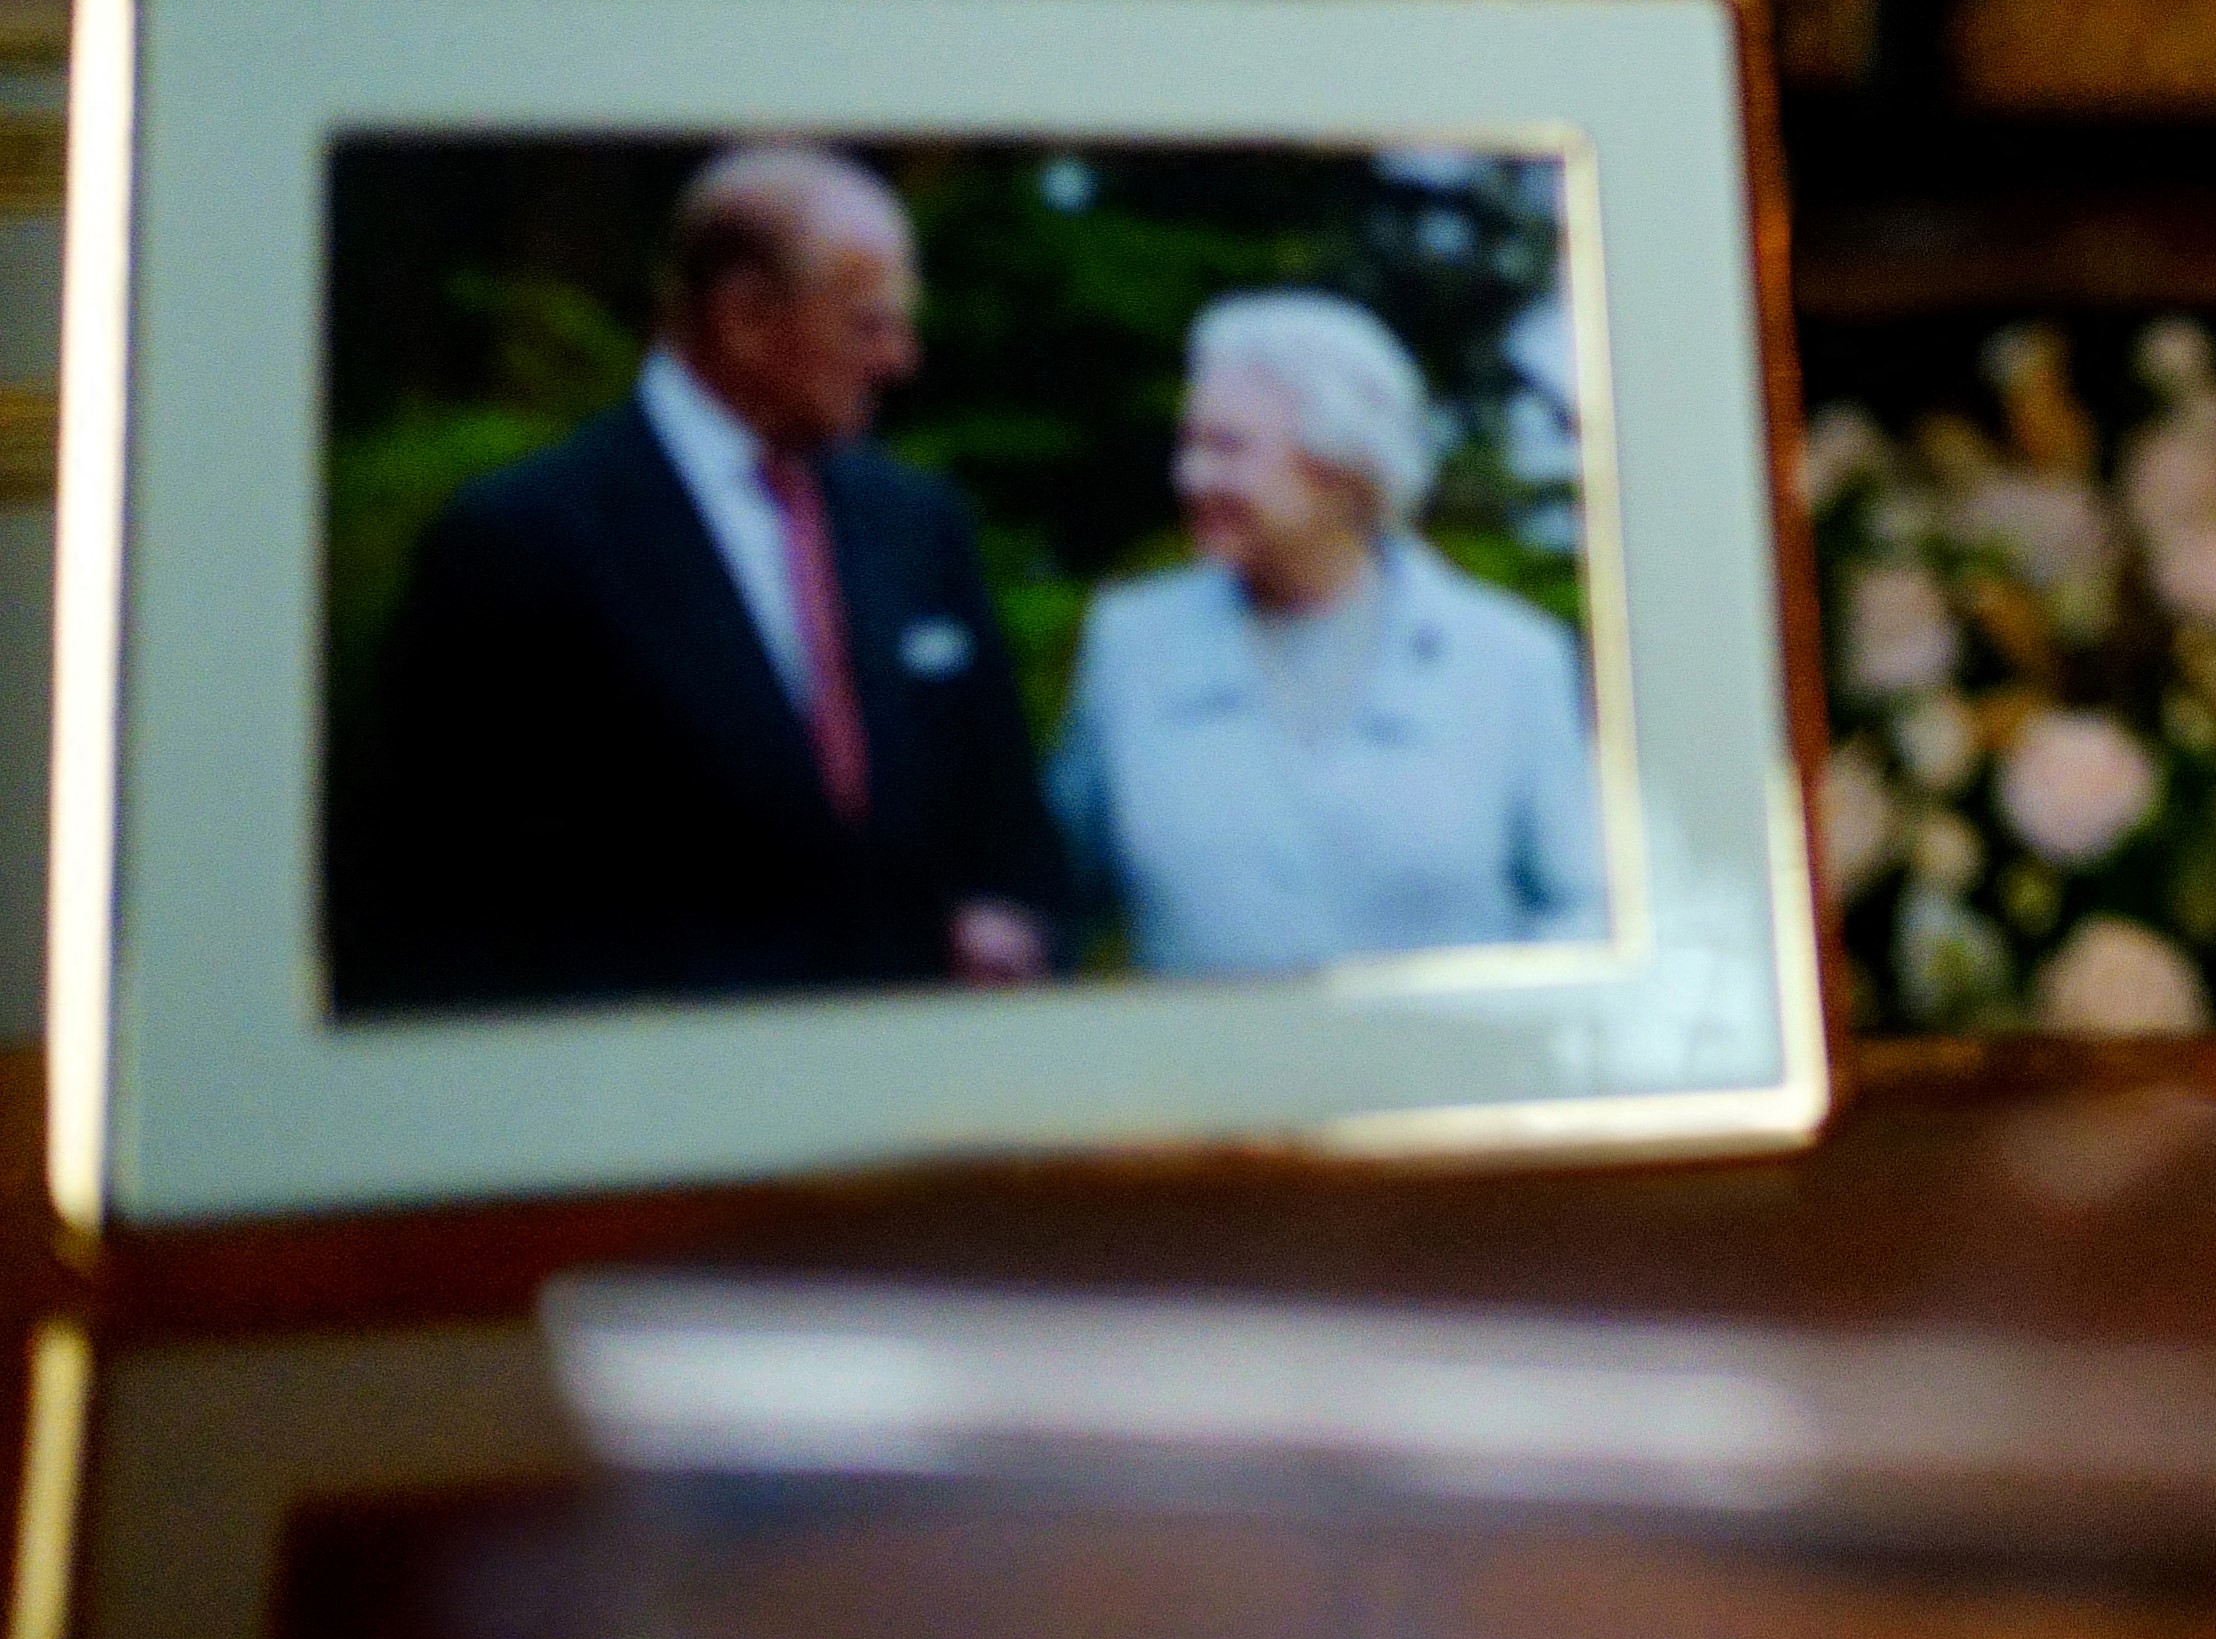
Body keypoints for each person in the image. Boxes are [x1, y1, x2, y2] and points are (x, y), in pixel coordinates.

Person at [335, 145, 1063, 1010]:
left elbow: (1010, 820)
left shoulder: (918, 523)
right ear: (745, 315)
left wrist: (1010, 918)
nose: (900, 358)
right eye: (868, 323)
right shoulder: (521, 541)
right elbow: (426, 900)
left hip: (910, 1093)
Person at [1053, 289, 1607, 975]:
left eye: (1227, 447)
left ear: (1343, 468)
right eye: (1189, 444)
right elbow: (1054, 897)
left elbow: (1584, 910)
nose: (1191, 476)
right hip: (1199, 1080)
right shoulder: (1132, 644)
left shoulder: (1511, 659)